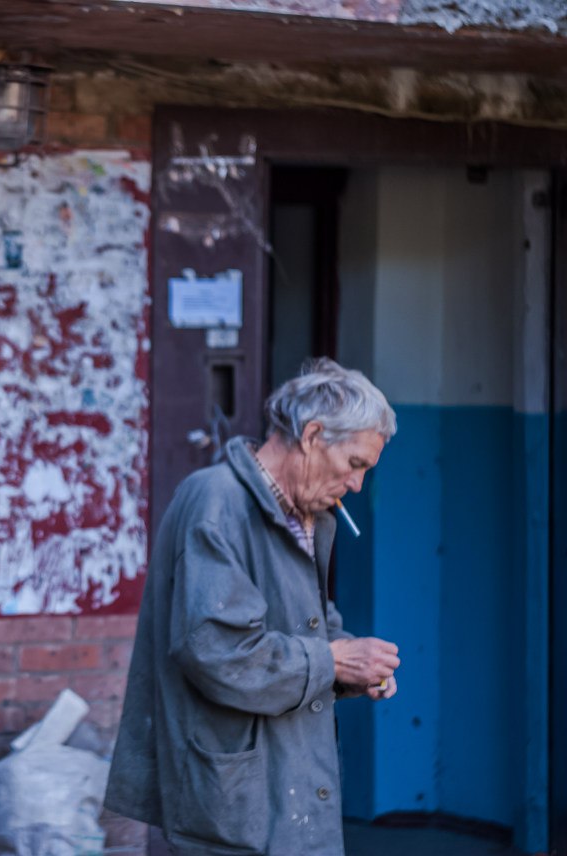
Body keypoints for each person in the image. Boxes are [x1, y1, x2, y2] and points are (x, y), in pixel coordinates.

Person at [104, 358, 401, 856]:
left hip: (290, 782)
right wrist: (333, 661)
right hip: (234, 805)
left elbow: (313, 627)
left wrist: (354, 662)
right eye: (355, 465)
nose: (357, 486)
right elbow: (219, 653)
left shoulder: (308, 512)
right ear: (312, 436)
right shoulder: (216, 501)